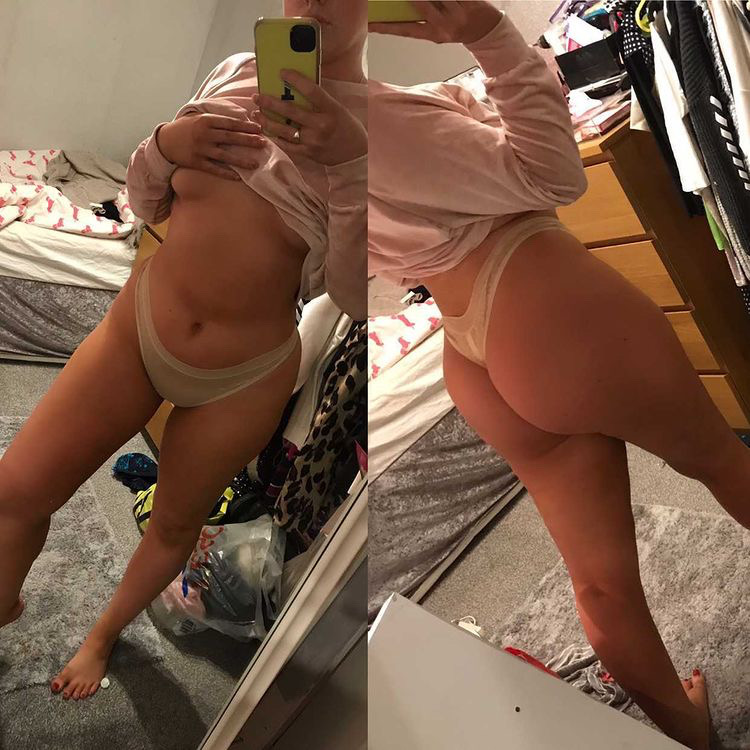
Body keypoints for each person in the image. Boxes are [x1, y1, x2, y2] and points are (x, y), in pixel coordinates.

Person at [368, 3, 743, 748]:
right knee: (722, 460)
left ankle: (689, 737)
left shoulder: (281, 124)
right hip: (541, 302)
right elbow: (551, 173)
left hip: (468, 344)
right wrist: (487, 34)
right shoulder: (370, 116)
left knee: (600, 583)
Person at [0, 0, 367, 702]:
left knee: (174, 524)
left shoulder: (381, 127)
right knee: (15, 491)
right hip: (140, 327)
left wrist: (352, 165)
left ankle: (102, 636)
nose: (316, 1)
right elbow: (145, 201)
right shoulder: (234, 72)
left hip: (245, 376)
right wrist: (167, 145)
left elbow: (354, 294)